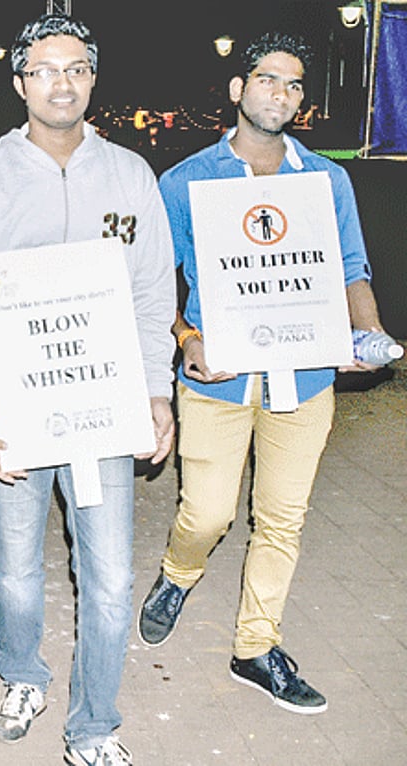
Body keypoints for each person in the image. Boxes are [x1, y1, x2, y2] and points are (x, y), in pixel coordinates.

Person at [0, 13, 176, 765]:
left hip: (103, 409)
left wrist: (157, 391)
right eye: (43, 69)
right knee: (16, 566)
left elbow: (150, 291)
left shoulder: (130, 175)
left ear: (93, 78)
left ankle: (94, 724)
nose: (60, 82)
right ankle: (24, 677)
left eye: (74, 68)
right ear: (20, 83)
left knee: (108, 576)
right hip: (15, 410)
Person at [137, 31, 391, 716]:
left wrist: (363, 333)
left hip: (304, 380)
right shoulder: (186, 182)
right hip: (217, 382)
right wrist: (186, 337)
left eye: (295, 83)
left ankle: (256, 645)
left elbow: (350, 269)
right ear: (237, 89)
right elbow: (157, 282)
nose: (281, 93)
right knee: (208, 513)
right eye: (268, 79)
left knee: (282, 518)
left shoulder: (325, 181)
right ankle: (178, 573)